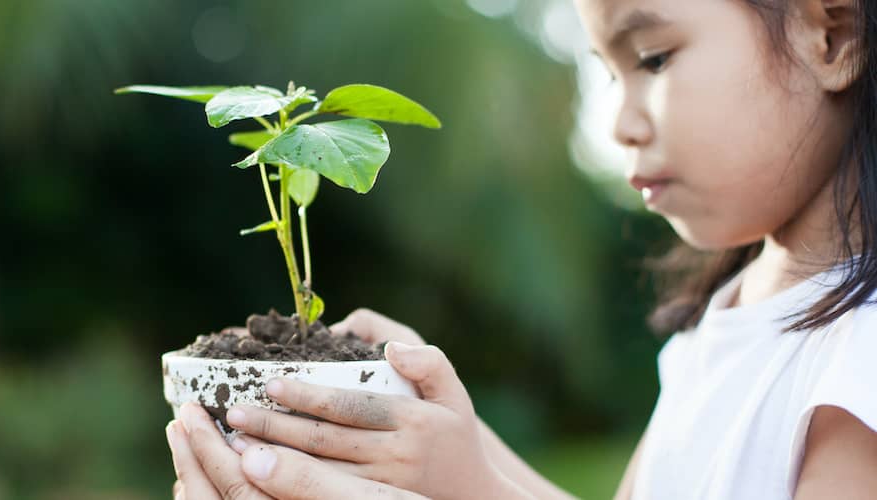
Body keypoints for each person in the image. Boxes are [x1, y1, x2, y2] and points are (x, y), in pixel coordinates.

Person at [164, 0, 877, 497]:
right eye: (607, 73)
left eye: (653, 58)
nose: (618, 124)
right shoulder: (728, 318)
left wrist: (471, 490)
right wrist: (457, 439)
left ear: (833, 38)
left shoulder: (859, 358)